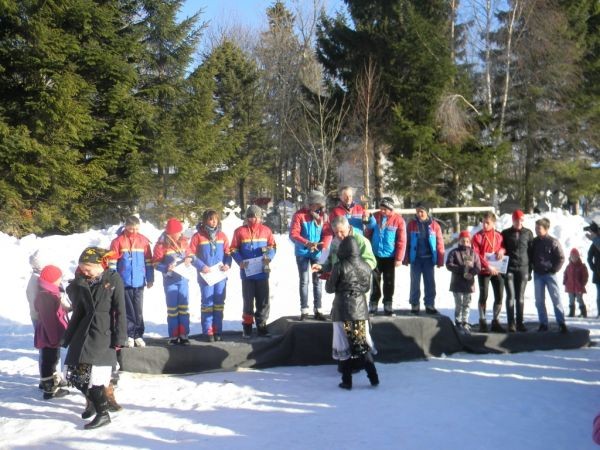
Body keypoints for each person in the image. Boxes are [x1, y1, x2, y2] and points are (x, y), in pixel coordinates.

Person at [63, 247, 127, 430]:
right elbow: (77, 306)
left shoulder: (113, 279)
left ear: (99, 265)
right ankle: (92, 402)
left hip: (102, 332)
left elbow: (120, 309)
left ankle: (103, 413)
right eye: (82, 268)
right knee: (77, 375)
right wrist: (77, 282)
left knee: (95, 376)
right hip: (83, 331)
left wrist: (120, 336)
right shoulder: (82, 280)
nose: (85, 271)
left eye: (87, 268)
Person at [326, 236, 379, 390]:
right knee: (361, 344)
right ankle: (373, 378)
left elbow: (329, 288)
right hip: (360, 310)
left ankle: (347, 381)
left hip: (342, 309)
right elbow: (366, 288)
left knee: (343, 345)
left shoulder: (339, 266)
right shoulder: (366, 266)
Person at [230, 205, 277, 338]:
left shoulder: (266, 230)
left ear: (260, 217)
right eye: (250, 216)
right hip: (247, 273)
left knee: (263, 300)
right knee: (248, 301)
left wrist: (269, 257)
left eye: (256, 216)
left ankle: (262, 324)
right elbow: (233, 249)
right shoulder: (239, 231)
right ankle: (247, 326)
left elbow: (273, 246)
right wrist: (240, 261)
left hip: (262, 272)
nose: (253, 219)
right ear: (246, 218)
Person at [108, 215, 154, 348]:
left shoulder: (143, 241)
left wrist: (150, 278)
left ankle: (138, 334)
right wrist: (113, 280)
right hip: (124, 281)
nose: (134, 231)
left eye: (136, 229)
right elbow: (112, 263)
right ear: (126, 226)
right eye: (131, 228)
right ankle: (129, 334)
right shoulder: (118, 241)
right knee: (127, 310)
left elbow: (148, 262)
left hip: (139, 281)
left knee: (138, 309)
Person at [188, 210, 232, 342]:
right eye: (211, 219)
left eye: (215, 219)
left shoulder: (222, 236)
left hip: (220, 276)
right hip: (206, 276)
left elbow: (228, 253)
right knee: (207, 304)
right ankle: (208, 331)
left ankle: (217, 330)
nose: (213, 222)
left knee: (219, 303)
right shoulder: (197, 236)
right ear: (205, 221)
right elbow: (190, 255)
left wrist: (227, 264)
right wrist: (201, 266)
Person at [289, 189, 332, 320]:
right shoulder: (299, 215)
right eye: (316, 204)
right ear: (310, 204)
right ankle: (304, 309)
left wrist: (323, 245)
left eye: (320, 205)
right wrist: (306, 243)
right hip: (302, 252)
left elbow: (327, 233)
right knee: (304, 280)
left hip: (317, 252)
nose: (318, 207)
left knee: (318, 280)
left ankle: (318, 309)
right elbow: (293, 234)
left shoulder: (323, 216)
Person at [153, 218, 192, 345]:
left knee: (184, 308)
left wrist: (189, 258)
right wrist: (166, 267)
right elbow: (155, 263)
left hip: (183, 279)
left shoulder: (184, 241)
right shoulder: (161, 245)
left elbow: (190, 254)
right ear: (171, 233)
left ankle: (184, 334)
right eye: (178, 232)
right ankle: (174, 335)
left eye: (180, 232)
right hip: (170, 281)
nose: (180, 234)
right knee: (172, 310)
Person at [364, 197, 406, 315]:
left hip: (390, 256)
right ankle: (373, 303)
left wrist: (399, 258)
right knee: (375, 281)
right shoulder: (376, 216)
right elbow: (368, 232)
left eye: (385, 209)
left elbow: (402, 241)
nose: (382, 211)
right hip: (376, 255)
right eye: (381, 208)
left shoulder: (398, 220)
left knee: (389, 281)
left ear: (390, 209)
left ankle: (388, 302)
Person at [34, 265, 70, 400]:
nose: (60, 280)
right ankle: (49, 389)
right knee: (49, 361)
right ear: (51, 280)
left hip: (51, 334)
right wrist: (54, 338)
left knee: (52, 359)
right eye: (58, 278)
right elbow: (49, 320)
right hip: (48, 335)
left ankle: (51, 383)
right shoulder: (46, 296)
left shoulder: (51, 293)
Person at [403, 202, 445, 315]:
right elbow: (406, 242)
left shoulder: (435, 226)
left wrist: (440, 259)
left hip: (428, 259)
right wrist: (405, 257)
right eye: (417, 212)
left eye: (421, 211)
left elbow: (440, 243)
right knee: (415, 283)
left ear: (427, 212)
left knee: (430, 283)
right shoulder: (411, 225)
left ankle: (430, 304)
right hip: (416, 259)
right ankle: (414, 303)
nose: (419, 214)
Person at [531, 218, 567, 333]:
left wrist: (554, 269)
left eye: (539, 228)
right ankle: (543, 323)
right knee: (539, 301)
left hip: (550, 274)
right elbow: (530, 256)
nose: (537, 230)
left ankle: (561, 323)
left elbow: (561, 257)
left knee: (556, 299)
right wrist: (532, 267)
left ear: (546, 229)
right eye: (536, 228)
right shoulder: (534, 242)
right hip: (538, 274)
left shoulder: (553, 241)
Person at [472, 211, 506, 332]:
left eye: (487, 223)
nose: (485, 225)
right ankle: (482, 321)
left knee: (499, 295)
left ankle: (496, 321)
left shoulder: (499, 235)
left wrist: (502, 251)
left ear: (493, 223)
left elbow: (503, 246)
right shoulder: (477, 236)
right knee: (484, 296)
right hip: (484, 271)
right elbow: (476, 255)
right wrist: (488, 266)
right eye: (483, 222)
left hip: (497, 270)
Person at [501, 209, 534, 332]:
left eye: (521, 220)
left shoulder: (528, 233)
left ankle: (520, 323)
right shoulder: (505, 233)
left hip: (523, 268)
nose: (519, 222)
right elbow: (501, 248)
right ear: (513, 220)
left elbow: (531, 252)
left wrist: (530, 270)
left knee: (520, 297)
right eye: (516, 220)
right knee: (510, 296)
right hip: (509, 267)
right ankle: (511, 323)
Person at [313, 215, 377, 276]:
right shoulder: (334, 242)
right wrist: (321, 267)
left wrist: (356, 272)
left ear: (348, 227)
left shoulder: (361, 241)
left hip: (356, 281)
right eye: (336, 232)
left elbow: (371, 262)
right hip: (339, 280)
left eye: (342, 231)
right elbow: (331, 264)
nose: (339, 235)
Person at [445, 231, 482, 334]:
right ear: (459, 241)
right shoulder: (454, 252)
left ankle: (465, 321)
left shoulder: (473, 253)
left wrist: (472, 273)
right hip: (457, 283)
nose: (465, 243)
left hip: (469, 284)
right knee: (459, 304)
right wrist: (461, 269)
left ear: (470, 242)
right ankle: (458, 321)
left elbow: (478, 266)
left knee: (467, 303)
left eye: (467, 241)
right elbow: (449, 264)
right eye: (463, 241)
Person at [563, 248, 589, 318]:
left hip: (579, 286)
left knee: (579, 299)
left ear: (578, 257)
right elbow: (565, 274)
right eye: (572, 257)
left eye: (575, 257)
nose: (574, 258)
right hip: (570, 286)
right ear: (570, 257)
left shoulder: (582, 266)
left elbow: (585, 276)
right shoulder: (568, 267)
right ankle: (571, 312)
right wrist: (565, 281)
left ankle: (583, 313)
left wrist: (582, 283)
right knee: (571, 299)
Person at [585, 221, 600, 318]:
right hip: (598, 273)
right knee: (599, 295)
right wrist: (594, 268)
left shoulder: (595, 241)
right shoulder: (594, 243)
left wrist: (594, 239)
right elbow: (589, 257)